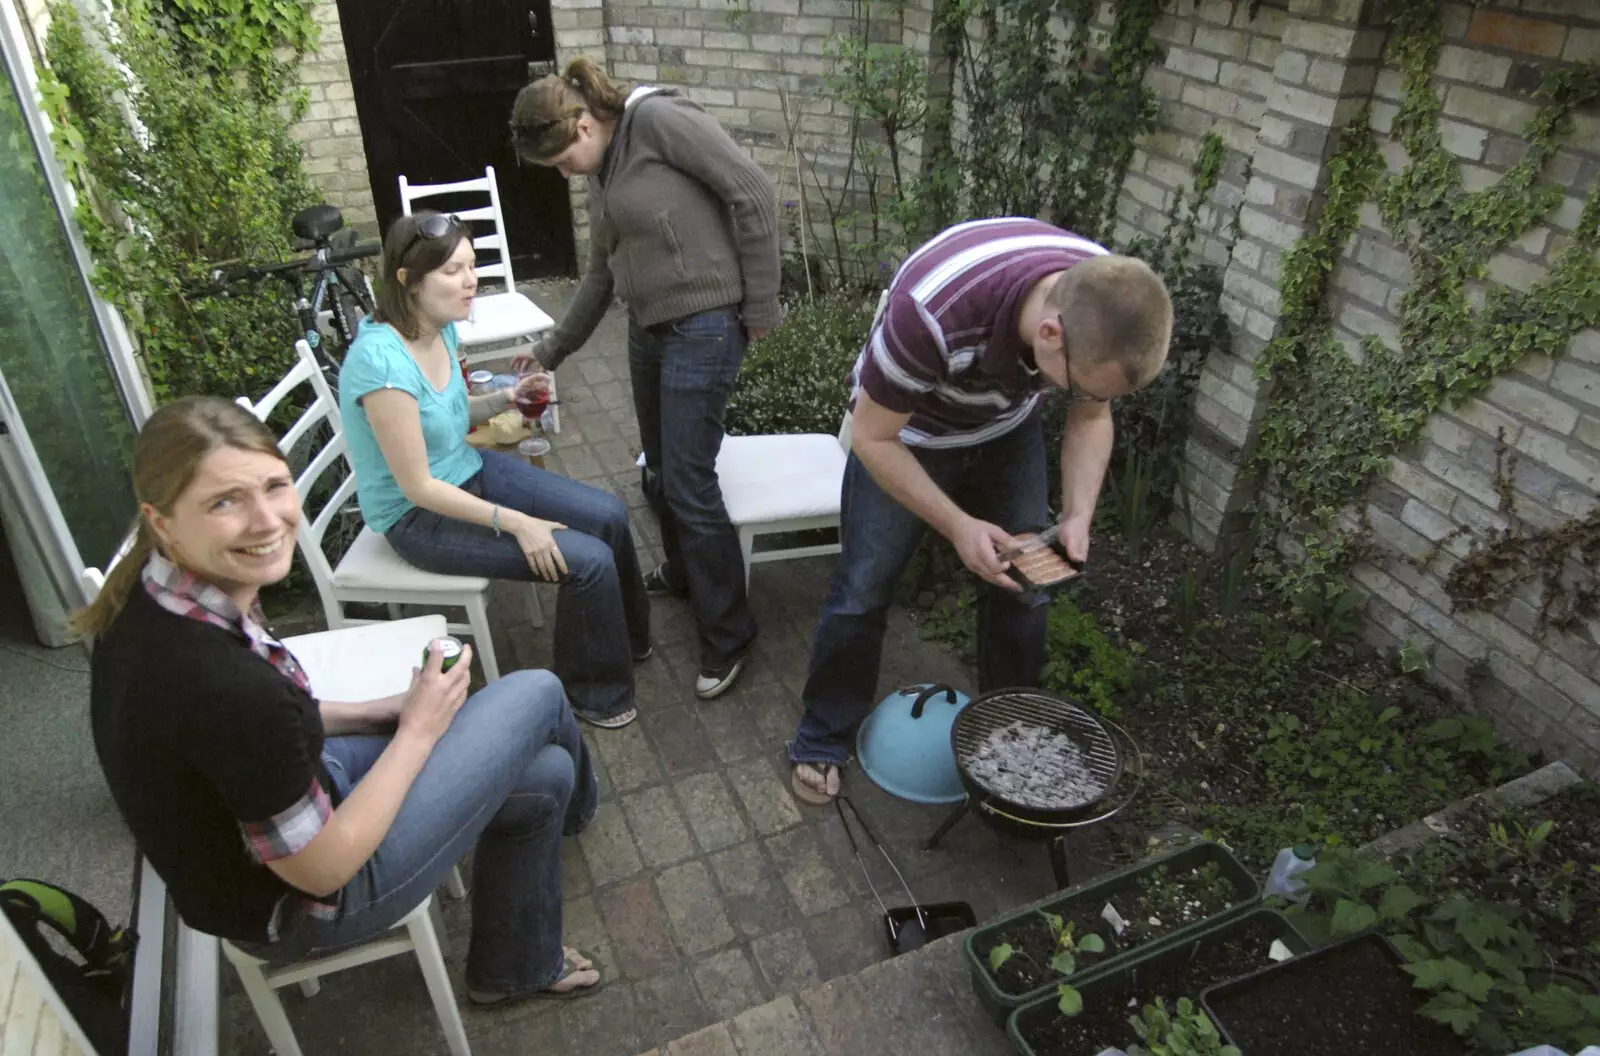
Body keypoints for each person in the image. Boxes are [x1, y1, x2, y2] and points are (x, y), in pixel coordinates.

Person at [84, 396, 603, 1004]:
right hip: (302, 905)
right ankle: (582, 820)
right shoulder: (220, 687)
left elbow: (262, 740)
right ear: (163, 521)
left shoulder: (155, 594)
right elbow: (322, 871)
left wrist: (381, 711)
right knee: (537, 691)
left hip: (299, 794)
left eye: (274, 485)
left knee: (544, 774)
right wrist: (418, 731)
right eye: (224, 501)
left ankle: (514, 965)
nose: (266, 520)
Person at [788, 217, 1174, 804]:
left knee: (1024, 586)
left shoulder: (1101, 299)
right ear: (1049, 333)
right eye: (1077, 383)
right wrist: (958, 526)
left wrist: (1077, 515)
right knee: (863, 587)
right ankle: (822, 735)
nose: (1082, 395)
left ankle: (1008, 735)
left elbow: (1093, 417)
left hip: (1003, 426)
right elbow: (871, 439)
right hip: (905, 435)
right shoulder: (931, 310)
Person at [508, 56, 780, 700]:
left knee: (688, 478)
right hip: (650, 328)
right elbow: (601, 273)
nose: (564, 174)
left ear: (581, 124)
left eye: (560, 162)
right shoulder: (604, 168)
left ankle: (730, 633)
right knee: (658, 466)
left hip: (706, 324)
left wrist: (762, 305)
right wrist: (553, 349)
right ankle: (688, 573)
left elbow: (754, 192)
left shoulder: (658, 120)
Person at [339, 210, 651, 728]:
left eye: (471, 266)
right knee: (588, 561)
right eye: (453, 271)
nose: (470, 281)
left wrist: (509, 396)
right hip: (417, 518)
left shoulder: (440, 330)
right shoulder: (381, 364)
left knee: (609, 514)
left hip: (465, 470)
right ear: (408, 281)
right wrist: (517, 522)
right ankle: (592, 694)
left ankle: (621, 638)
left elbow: (454, 416)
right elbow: (418, 487)